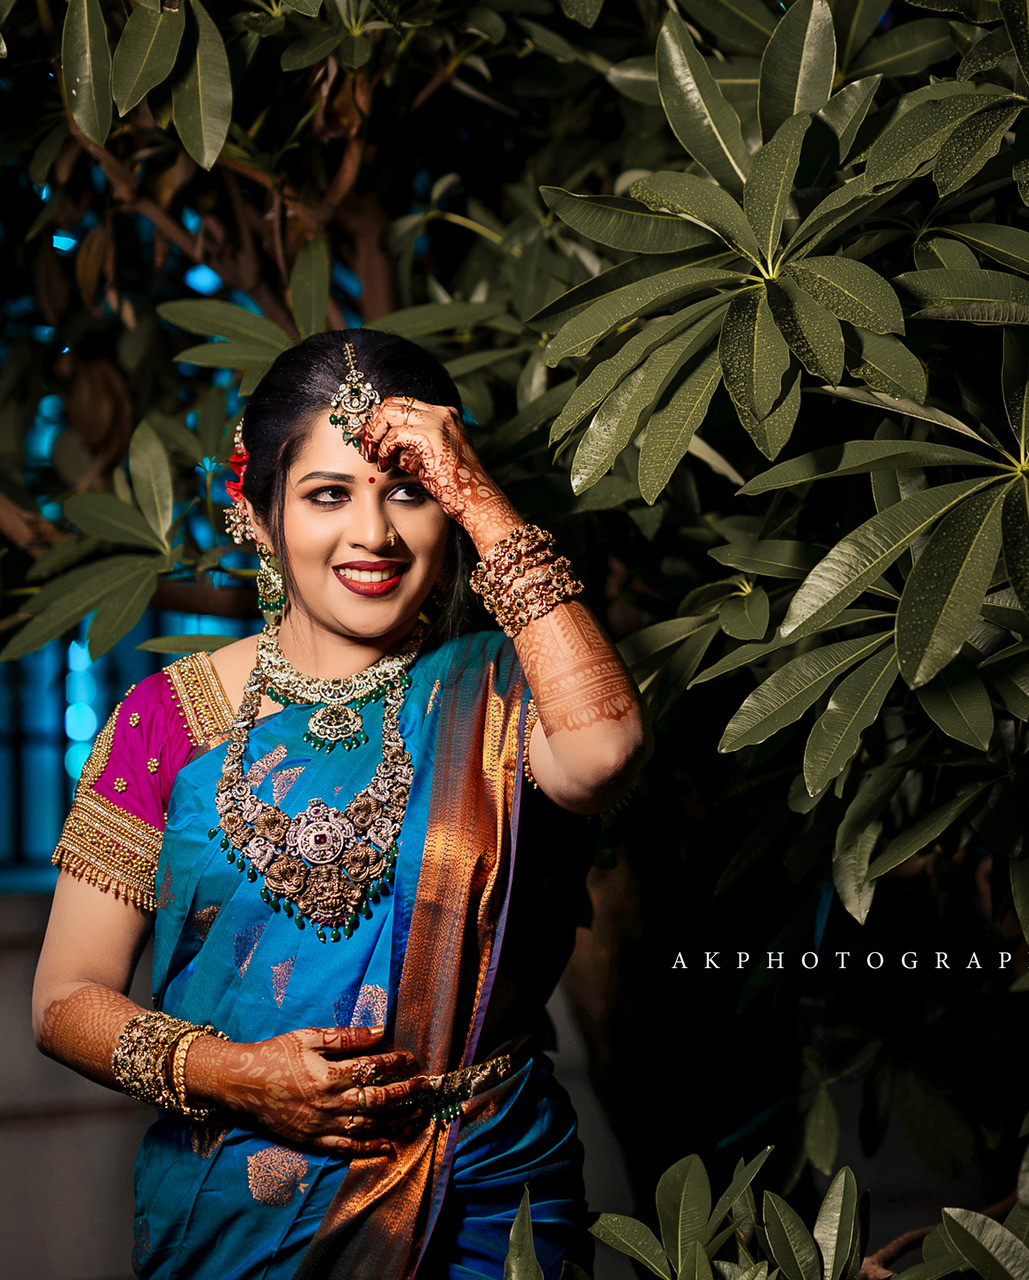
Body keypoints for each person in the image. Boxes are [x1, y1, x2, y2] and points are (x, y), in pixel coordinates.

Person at [30, 329, 646, 1280]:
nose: (375, 536)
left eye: (408, 491)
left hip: (484, 1198)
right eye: (328, 495)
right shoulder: (168, 723)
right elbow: (65, 999)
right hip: (238, 1208)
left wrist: (475, 491)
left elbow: (604, 753)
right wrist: (238, 1076)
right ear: (260, 513)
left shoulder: (506, 690)